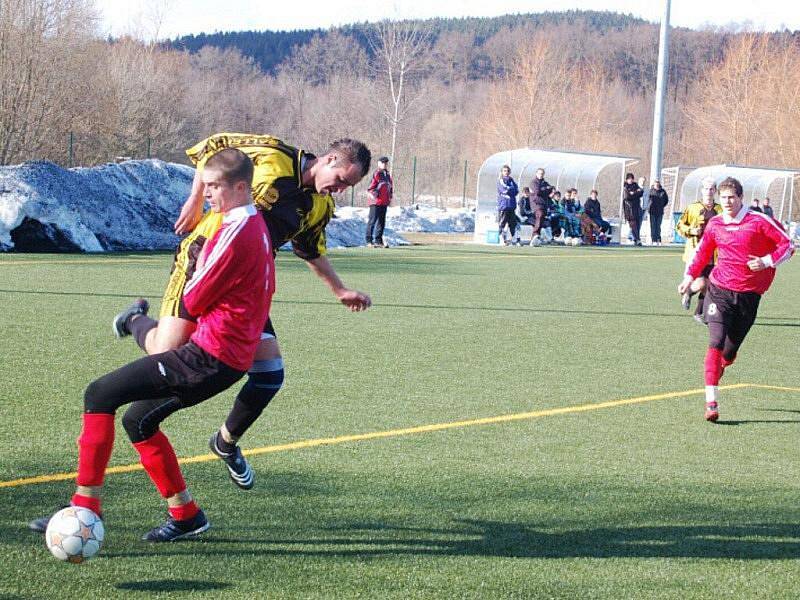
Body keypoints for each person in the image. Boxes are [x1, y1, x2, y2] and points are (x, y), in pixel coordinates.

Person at [30, 149, 276, 540]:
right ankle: (187, 515)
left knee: (99, 393)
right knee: (138, 421)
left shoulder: (230, 232)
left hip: (207, 357)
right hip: (225, 359)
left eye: (214, 187)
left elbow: (192, 298)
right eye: (205, 184)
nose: (206, 193)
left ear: (241, 187)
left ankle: (84, 508)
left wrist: (197, 260)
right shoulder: (256, 224)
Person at [115, 133, 372, 490]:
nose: (341, 189)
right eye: (342, 179)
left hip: (245, 288)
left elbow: (310, 250)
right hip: (203, 257)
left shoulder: (320, 207)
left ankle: (225, 442)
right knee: (164, 351)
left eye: (349, 186)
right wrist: (194, 199)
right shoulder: (272, 154)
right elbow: (210, 147)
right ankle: (134, 319)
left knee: (269, 374)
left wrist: (340, 289)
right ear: (329, 160)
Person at [678, 177, 793, 422]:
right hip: (719, 290)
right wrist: (688, 277)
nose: (728, 202)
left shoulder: (758, 221)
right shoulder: (715, 224)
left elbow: (788, 245)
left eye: (732, 197)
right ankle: (711, 403)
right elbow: (702, 253)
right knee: (716, 340)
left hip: (749, 296)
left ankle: (723, 364)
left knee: (728, 353)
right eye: (724, 197)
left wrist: (766, 261)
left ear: (741, 198)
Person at [676, 177, 722, 322]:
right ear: (702, 190)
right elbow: (679, 226)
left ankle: (699, 313)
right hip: (696, 252)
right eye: (706, 188)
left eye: (711, 189)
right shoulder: (693, 208)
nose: (708, 191)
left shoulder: (720, 209)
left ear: (715, 191)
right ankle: (689, 291)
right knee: (702, 283)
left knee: (711, 284)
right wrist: (691, 230)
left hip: (715, 254)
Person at [365, 156, 393, 248]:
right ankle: (369, 240)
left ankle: (378, 240)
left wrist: (390, 197)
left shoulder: (388, 175)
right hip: (375, 202)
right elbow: (371, 187)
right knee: (372, 221)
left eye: (386, 163)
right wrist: (373, 195)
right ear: (379, 163)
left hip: (384, 202)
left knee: (381, 222)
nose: (385, 164)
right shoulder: (377, 174)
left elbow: (390, 187)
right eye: (383, 163)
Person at [496, 164, 519, 245]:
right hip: (504, 205)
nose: (506, 172)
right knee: (502, 223)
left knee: (513, 224)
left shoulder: (512, 180)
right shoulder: (500, 180)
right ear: (502, 172)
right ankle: (501, 239)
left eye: (508, 171)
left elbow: (516, 190)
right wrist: (510, 189)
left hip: (511, 205)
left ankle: (514, 239)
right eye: (505, 171)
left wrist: (510, 189)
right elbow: (504, 190)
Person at [529, 168, 553, 242]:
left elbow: (551, 189)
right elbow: (537, 192)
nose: (541, 175)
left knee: (542, 219)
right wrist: (545, 190)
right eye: (539, 173)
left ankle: (537, 237)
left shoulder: (545, 183)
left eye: (542, 173)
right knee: (540, 215)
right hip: (536, 204)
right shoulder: (533, 182)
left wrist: (545, 189)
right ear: (536, 174)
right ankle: (535, 234)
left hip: (543, 204)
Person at [622, 173, 643, 245]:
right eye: (629, 178)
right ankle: (637, 239)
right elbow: (627, 197)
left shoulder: (635, 185)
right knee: (633, 225)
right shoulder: (625, 186)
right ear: (627, 179)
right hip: (629, 210)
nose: (631, 180)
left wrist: (633, 193)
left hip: (636, 208)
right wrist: (636, 193)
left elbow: (641, 193)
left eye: (632, 178)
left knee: (637, 225)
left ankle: (635, 239)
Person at [648, 180, 669, 245]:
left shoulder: (663, 191)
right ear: (654, 185)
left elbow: (666, 200)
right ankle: (653, 239)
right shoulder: (651, 191)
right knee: (653, 226)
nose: (657, 185)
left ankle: (658, 239)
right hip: (652, 211)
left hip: (660, 211)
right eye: (656, 184)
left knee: (658, 226)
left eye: (658, 184)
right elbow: (648, 200)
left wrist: (661, 205)